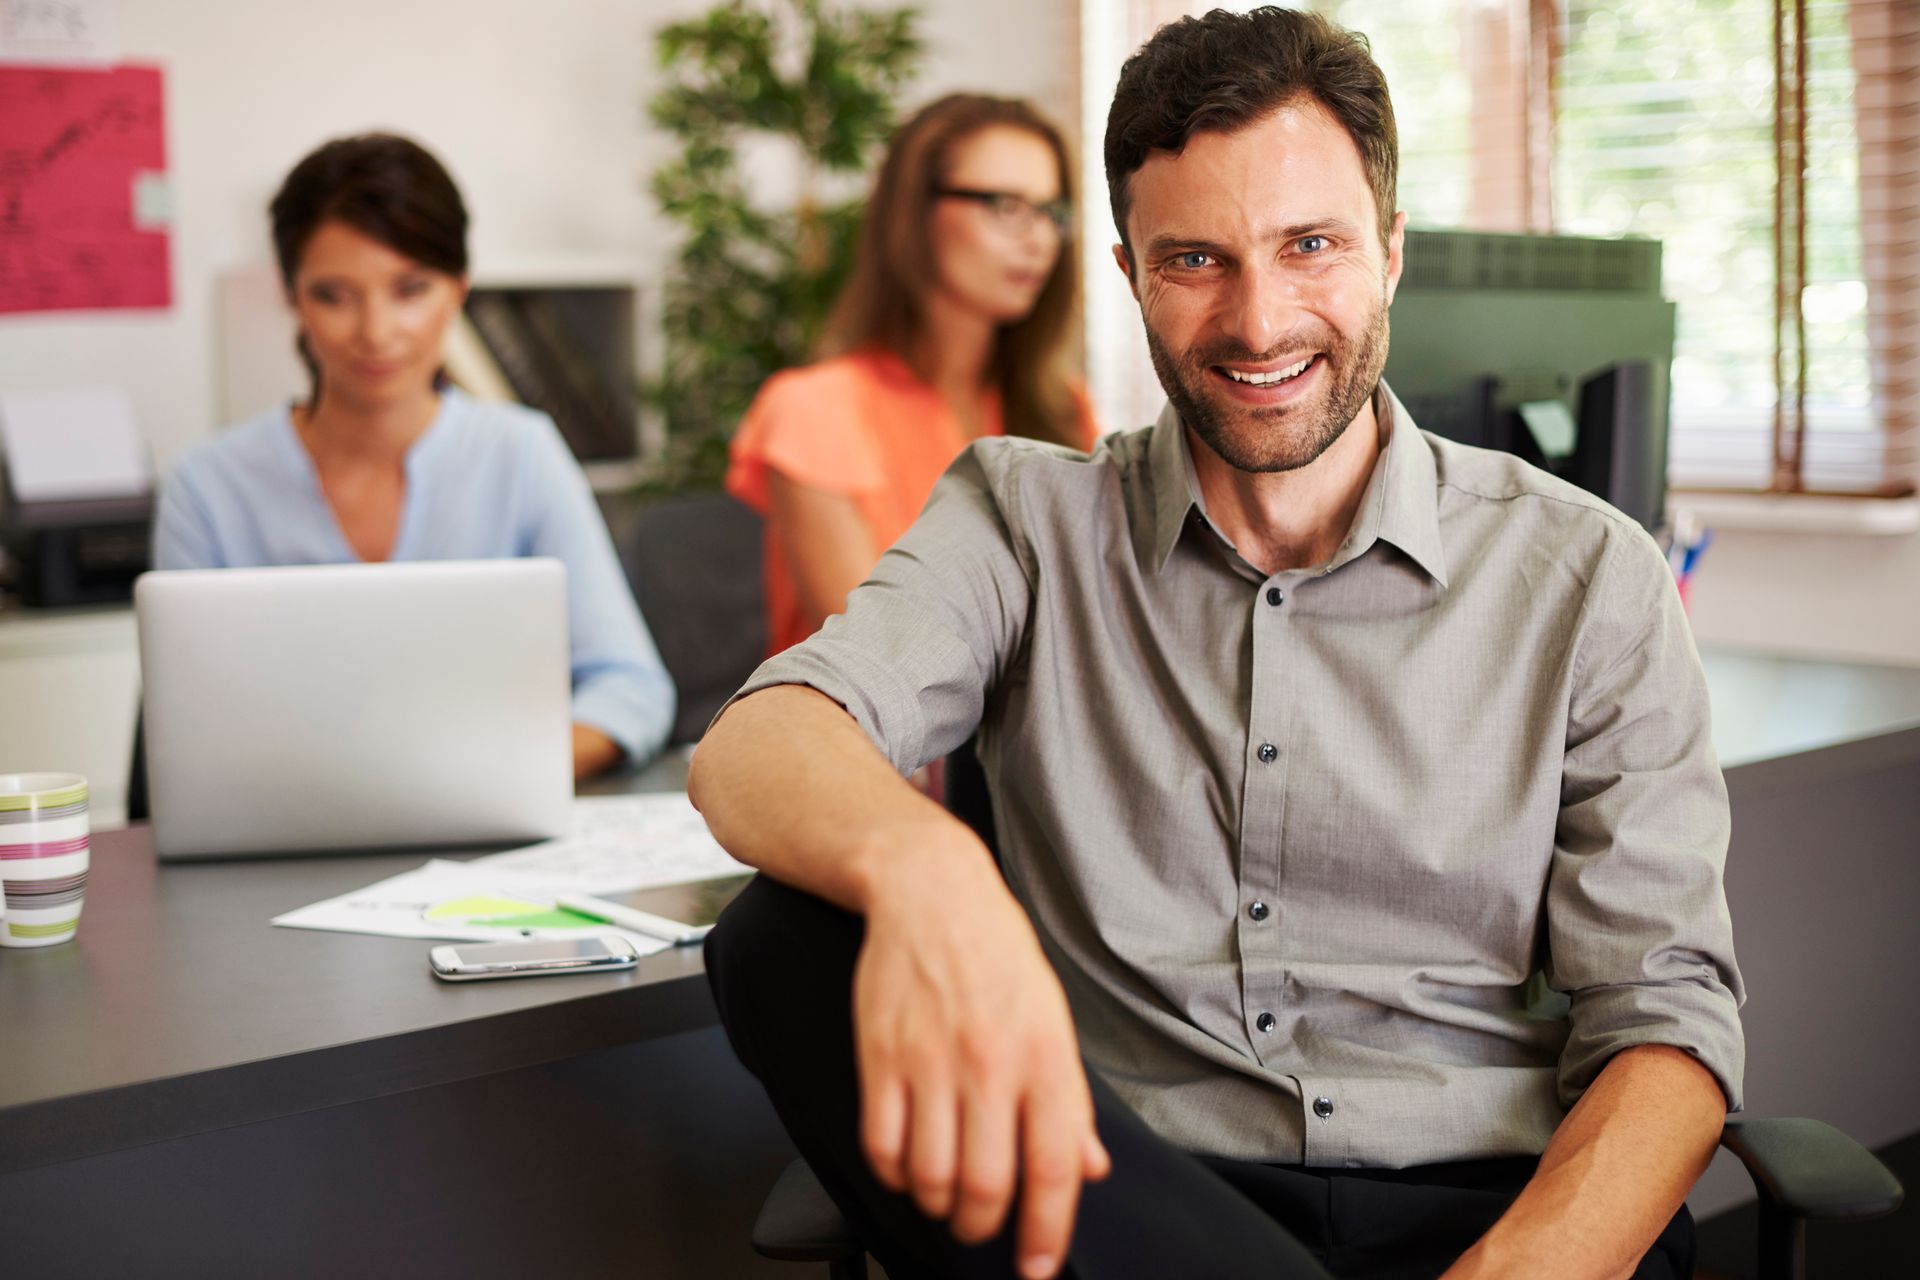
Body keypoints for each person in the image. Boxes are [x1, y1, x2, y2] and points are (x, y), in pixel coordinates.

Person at [692, 8, 1743, 1280]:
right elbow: (762, 740)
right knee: (781, 938)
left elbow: (1668, 1023)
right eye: (1196, 259)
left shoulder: (1587, 573)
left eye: (1311, 247)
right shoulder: (1024, 518)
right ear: (1131, 273)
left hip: (1492, 1218)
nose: (1259, 322)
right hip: (1139, 1208)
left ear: (1391, 251)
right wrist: (934, 875)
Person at [153, 133, 674, 779]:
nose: (375, 332)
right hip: (284, 836)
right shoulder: (208, 488)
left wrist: (494, 775)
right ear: (292, 298)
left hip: (489, 826)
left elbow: (630, 687)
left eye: (410, 289)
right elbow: (188, 731)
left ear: (458, 291)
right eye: (334, 295)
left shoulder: (521, 454)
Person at [726, 94, 1100, 656]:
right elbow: (884, 660)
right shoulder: (813, 410)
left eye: (1052, 211)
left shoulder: (1061, 406)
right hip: (868, 740)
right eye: (1005, 204)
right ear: (915, 212)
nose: (1040, 238)